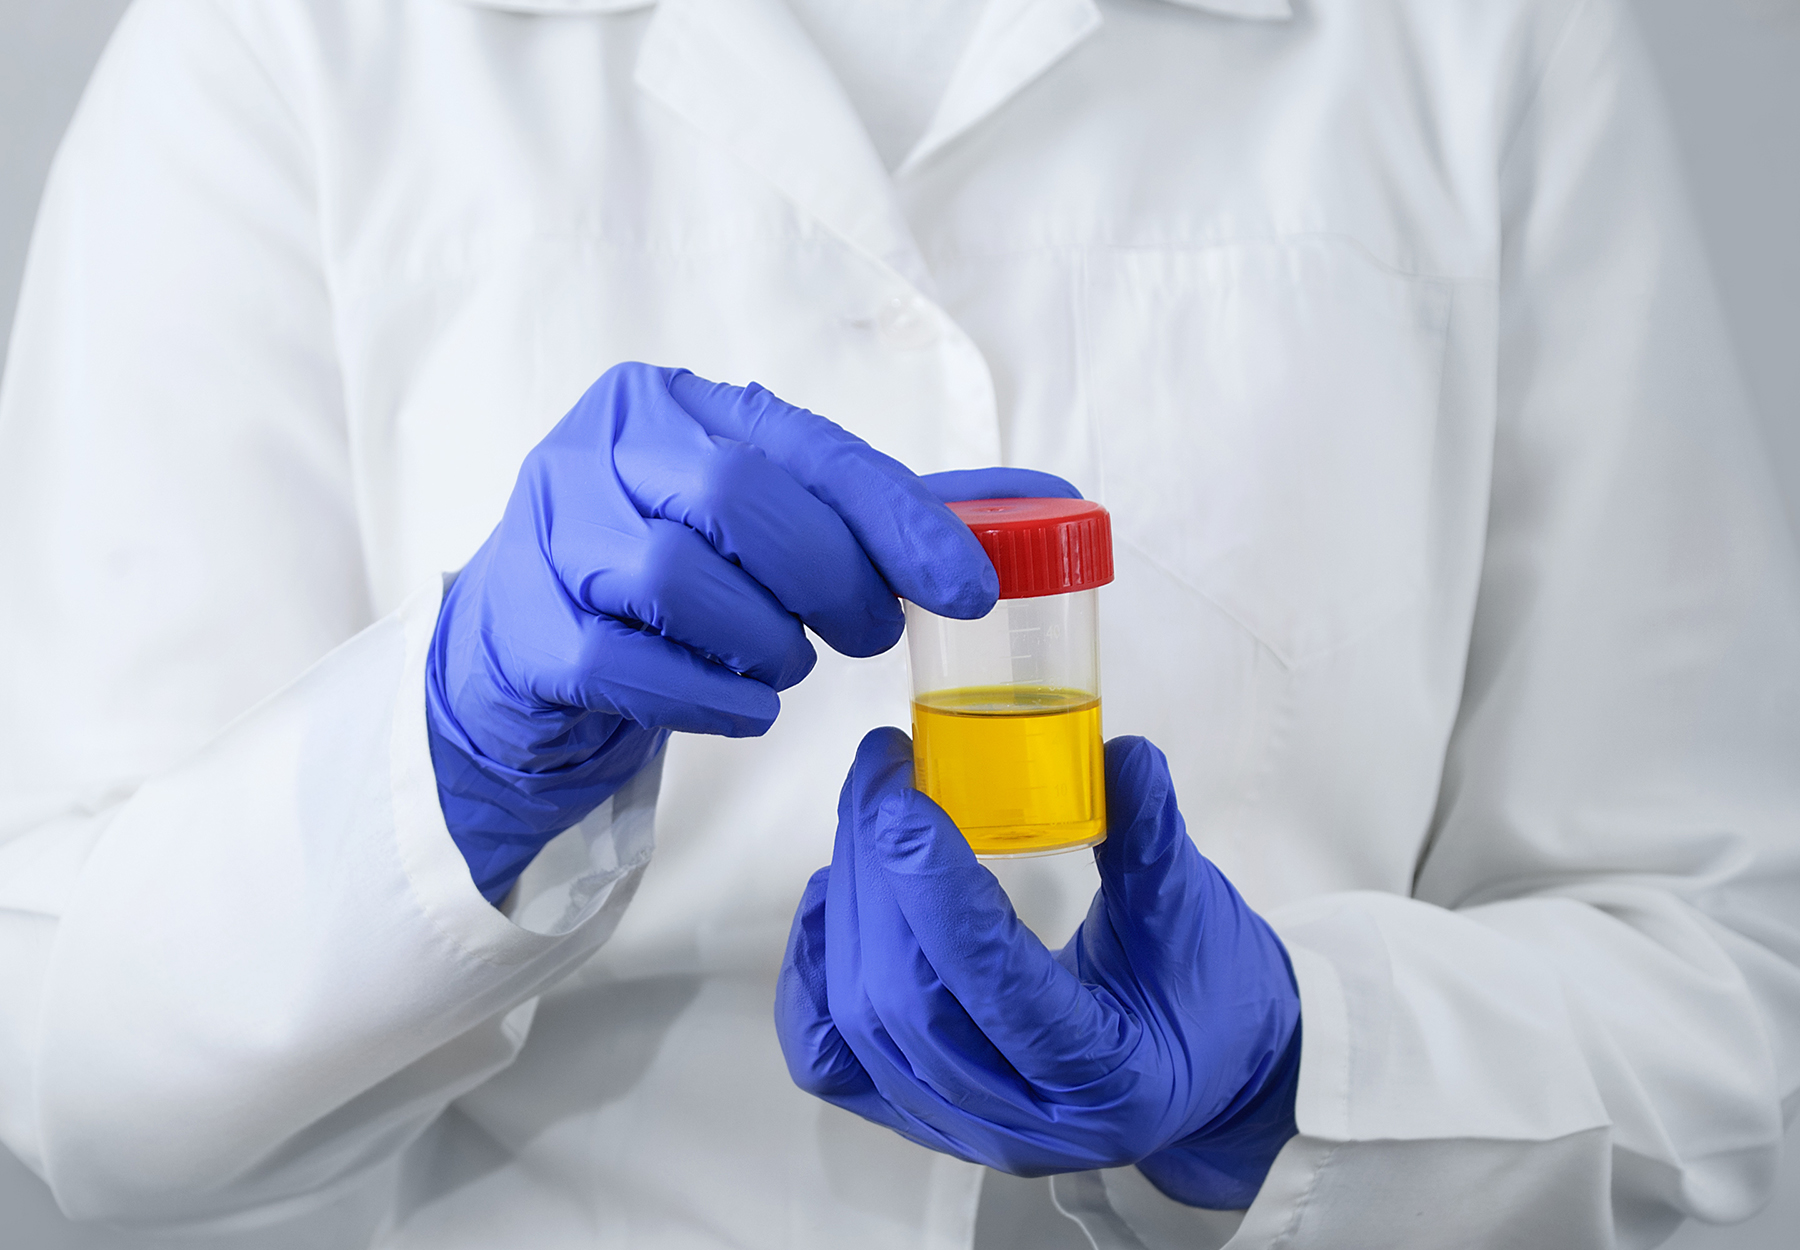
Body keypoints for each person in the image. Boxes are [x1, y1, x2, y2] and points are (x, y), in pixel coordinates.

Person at [0, 0, 1794, 1247]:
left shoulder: (1483, 42)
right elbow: (72, 1073)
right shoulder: (281, 47)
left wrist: (1293, 1071)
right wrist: (443, 767)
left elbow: (1729, 989)